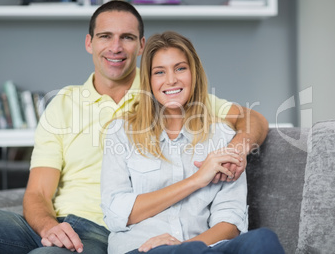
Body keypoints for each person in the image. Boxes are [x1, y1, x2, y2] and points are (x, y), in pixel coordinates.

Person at [0, 0, 268, 254]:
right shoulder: (63, 103)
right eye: (105, 36)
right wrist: (50, 227)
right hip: (55, 223)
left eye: (127, 37)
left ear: (141, 45)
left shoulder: (163, 89)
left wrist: (235, 149)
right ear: (90, 42)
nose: (115, 47)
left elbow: (253, 119)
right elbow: (37, 193)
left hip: (100, 231)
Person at [100, 31, 283, 254]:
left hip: (204, 248)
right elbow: (117, 213)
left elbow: (230, 221)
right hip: (144, 249)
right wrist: (197, 179)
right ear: (148, 80)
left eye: (180, 68)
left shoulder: (222, 137)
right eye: (159, 72)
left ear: (193, 73)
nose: (171, 80)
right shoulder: (121, 132)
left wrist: (186, 246)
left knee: (263, 239)